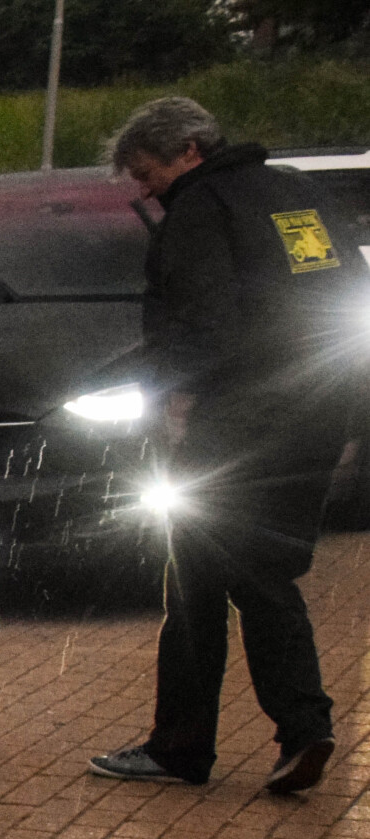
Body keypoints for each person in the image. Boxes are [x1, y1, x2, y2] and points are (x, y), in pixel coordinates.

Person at [87, 96, 360, 798]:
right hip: (318, 412)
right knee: (211, 575)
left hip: (235, 424)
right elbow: (348, 296)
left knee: (245, 574)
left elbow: (203, 324)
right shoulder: (299, 193)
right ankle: (187, 743)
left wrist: (171, 397)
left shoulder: (202, 210)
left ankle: (297, 728)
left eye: (147, 171)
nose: (145, 189)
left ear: (189, 150)